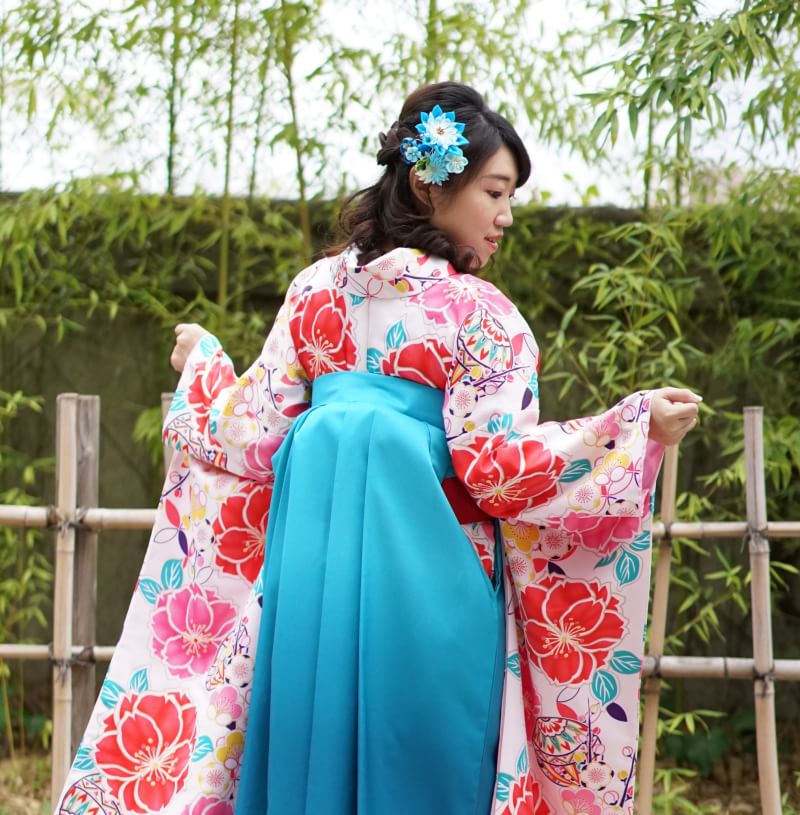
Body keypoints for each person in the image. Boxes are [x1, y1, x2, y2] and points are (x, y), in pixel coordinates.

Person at [55, 82, 700, 815]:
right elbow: (498, 470)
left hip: (309, 592)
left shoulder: (314, 294)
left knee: (306, 768)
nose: (506, 216)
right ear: (430, 183)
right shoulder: (482, 316)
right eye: (494, 192)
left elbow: (248, 433)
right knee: (425, 777)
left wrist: (205, 364)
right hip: (430, 591)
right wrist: (629, 431)